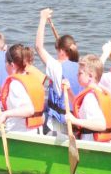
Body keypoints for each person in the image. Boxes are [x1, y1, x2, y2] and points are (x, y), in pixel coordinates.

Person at [35, 8, 82, 136]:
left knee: (37, 115)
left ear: (61, 51)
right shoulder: (82, 68)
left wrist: (43, 18)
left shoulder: (56, 67)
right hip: (77, 121)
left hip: (59, 126)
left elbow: (39, 47)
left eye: (57, 51)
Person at [0, 44, 46, 134]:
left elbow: (29, 109)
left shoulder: (15, 84)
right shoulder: (32, 78)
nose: (5, 65)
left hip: (22, 133)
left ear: (12, 65)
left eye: (5, 62)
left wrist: (5, 114)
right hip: (36, 131)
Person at [66, 55, 111, 142]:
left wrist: (75, 121)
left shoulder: (90, 97)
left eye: (80, 73)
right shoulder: (100, 91)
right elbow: (81, 107)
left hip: (91, 144)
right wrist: (69, 91)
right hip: (104, 143)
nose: (77, 75)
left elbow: (101, 125)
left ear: (90, 76)